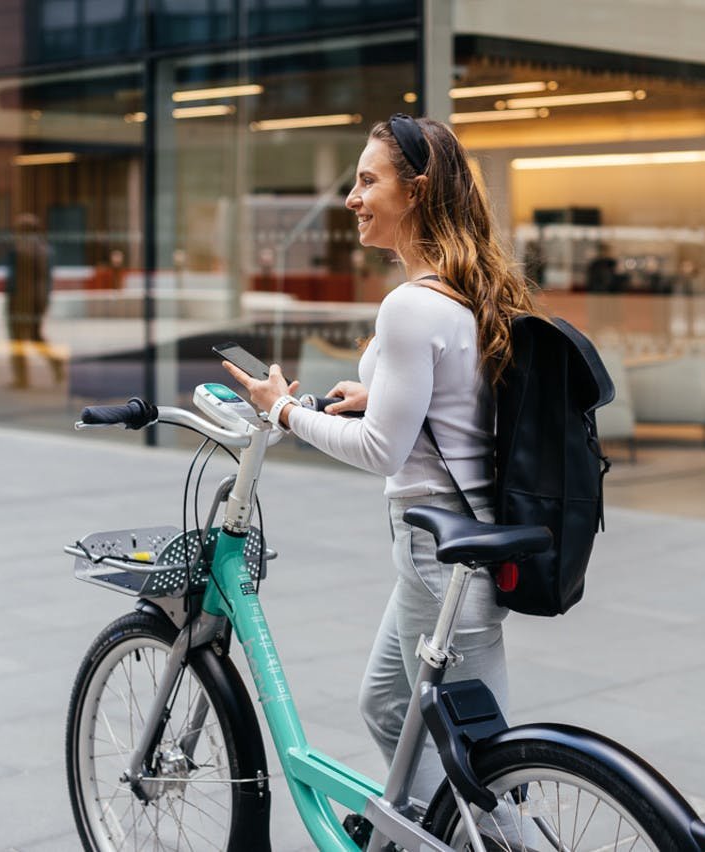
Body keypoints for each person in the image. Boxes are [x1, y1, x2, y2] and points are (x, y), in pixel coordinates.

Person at [223, 114, 538, 805]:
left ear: (417, 192)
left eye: (368, 180)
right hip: (454, 543)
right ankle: (436, 835)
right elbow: (464, 401)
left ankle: (479, 840)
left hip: (442, 548)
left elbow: (380, 450)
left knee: (480, 762)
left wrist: (283, 410)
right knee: (387, 706)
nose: (352, 197)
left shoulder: (409, 306)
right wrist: (384, 393)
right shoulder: (465, 291)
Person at [5, 213, 64, 388]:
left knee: (17, 340)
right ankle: (55, 362)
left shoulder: (18, 249)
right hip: (40, 300)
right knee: (35, 335)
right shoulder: (47, 249)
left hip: (20, 301)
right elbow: (48, 280)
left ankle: (22, 378)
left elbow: (13, 280)